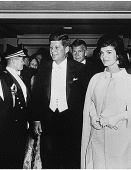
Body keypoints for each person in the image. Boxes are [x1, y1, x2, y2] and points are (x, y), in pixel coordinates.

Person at [81, 34, 131, 169]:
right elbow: (90, 102)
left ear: (118, 54)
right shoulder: (95, 79)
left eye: (109, 52)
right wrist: (92, 116)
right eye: (102, 53)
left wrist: (115, 118)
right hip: (97, 140)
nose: (104, 56)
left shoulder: (129, 80)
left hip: (120, 144)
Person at [31, 33, 88, 168]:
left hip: (72, 121)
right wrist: (37, 119)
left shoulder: (80, 69)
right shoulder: (43, 68)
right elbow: (37, 94)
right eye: (51, 48)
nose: (53, 51)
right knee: (49, 158)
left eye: (57, 48)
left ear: (67, 49)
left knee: (71, 158)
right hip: (49, 119)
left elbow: (86, 96)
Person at [4, 44, 31, 168]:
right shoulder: (5, 77)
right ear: (13, 60)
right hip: (13, 126)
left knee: (20, 156)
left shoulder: (19, 75)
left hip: (21, 123)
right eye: (21, 60)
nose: (23, 63)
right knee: (13, 159)